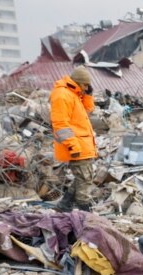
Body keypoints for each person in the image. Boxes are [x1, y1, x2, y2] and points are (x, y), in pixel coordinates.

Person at [50, 66, 97, 211]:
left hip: (83, 144)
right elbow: (60, 124)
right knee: (84, 179)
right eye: (85, 85)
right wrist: (73, 145)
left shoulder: (74, 94)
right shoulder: (62, 95)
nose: (86, 87)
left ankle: (64, 205)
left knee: (83, 177)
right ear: (78, 82)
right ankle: (85, 214)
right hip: (77, 145)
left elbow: (88, 112)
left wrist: (88, 95)